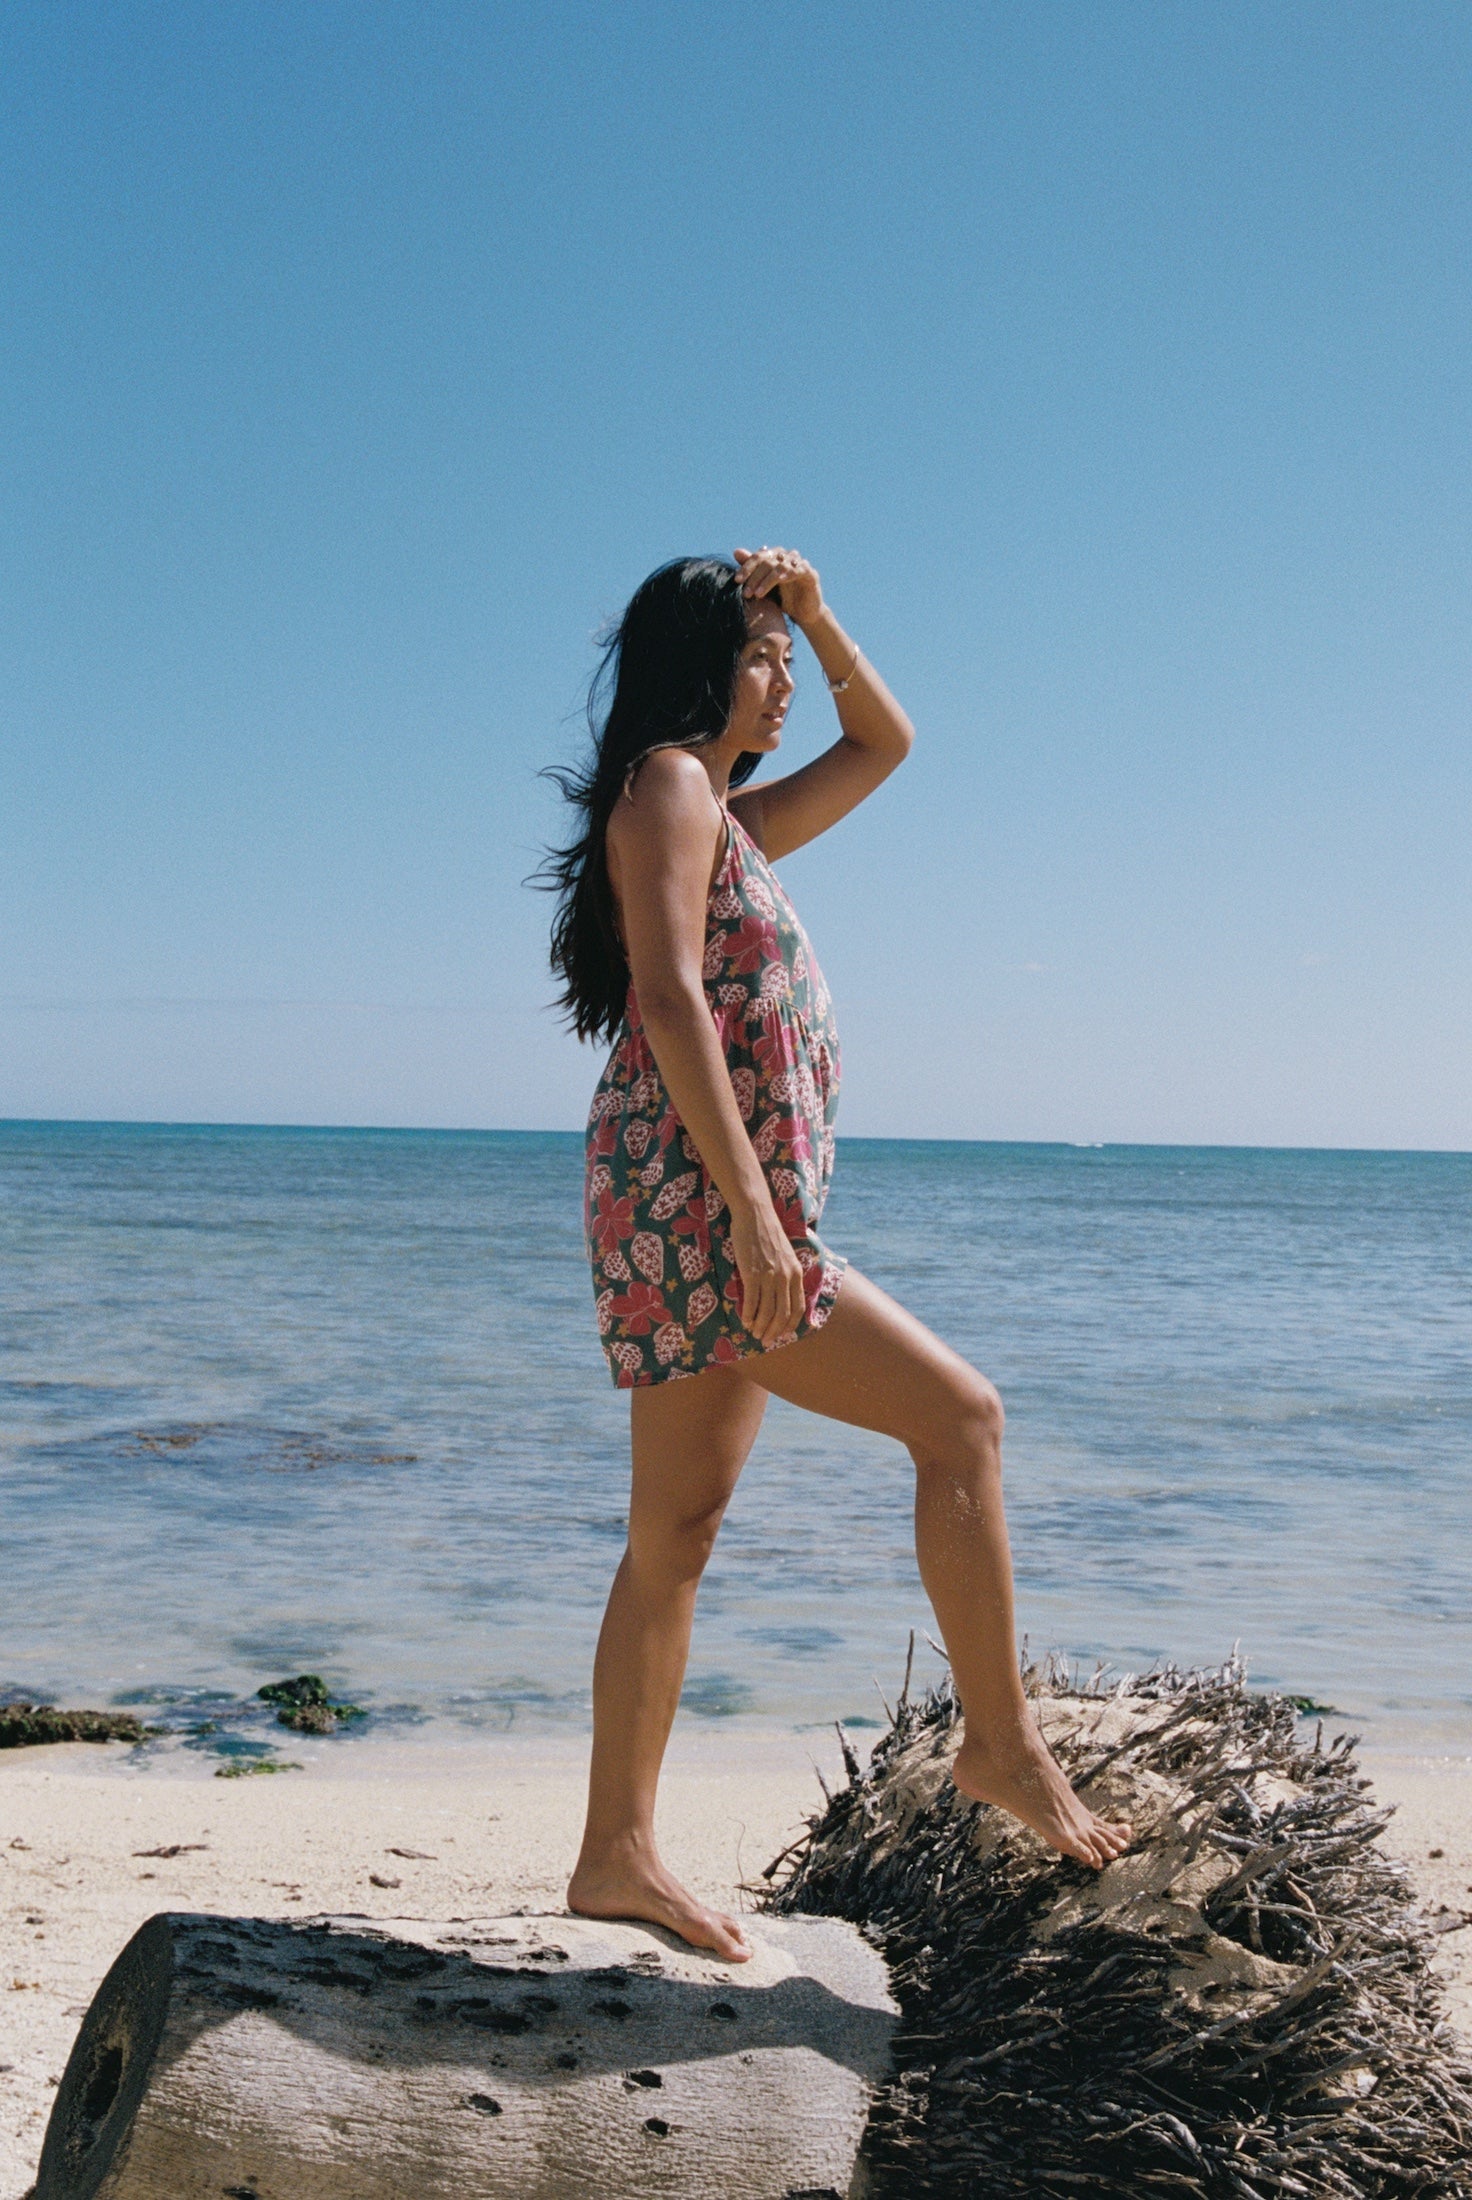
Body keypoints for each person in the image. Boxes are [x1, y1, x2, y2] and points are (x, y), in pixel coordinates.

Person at [545, 547, 1131, 1961]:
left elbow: (891, 739)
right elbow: (675, 993)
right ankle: (1002, 1746)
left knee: (673, 1538)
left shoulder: (723, 811)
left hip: (691, 1196)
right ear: (697, 668)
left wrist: (813, 609)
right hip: (706, 1204)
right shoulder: (674, 785)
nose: (787, 681)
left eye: (787, 660)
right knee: (964, 1420)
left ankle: (614, 1853)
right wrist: (751, 1211)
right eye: (761, 656)